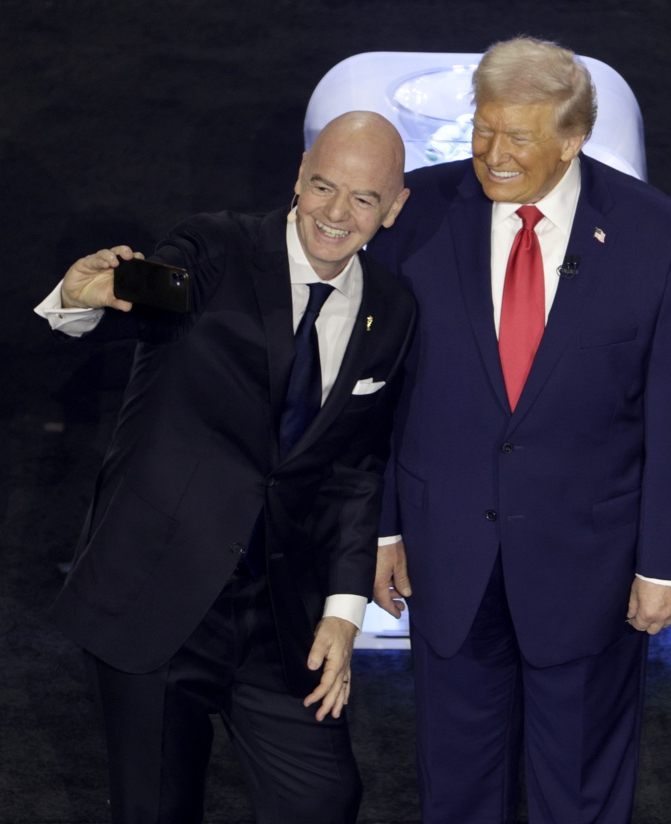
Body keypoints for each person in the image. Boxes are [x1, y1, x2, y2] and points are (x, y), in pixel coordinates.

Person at [33, 112, 415, 823]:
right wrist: (87, 297)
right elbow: (158, 289)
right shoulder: (216, 250)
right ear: (299, 176)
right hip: (156, 604)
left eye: (363, 198)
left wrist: (342, 614)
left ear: (395, 207)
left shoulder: (392, 311)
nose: (335, 214)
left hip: (281, 622)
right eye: (323, 187)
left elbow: (357, 469)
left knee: (325, 798)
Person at [370, 36, 671, 823]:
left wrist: (666, 563)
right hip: (447, 555)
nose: (491, 154)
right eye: (483, 129)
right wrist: (383, 526)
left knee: (581, 792)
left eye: (516, 138)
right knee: (456, 789)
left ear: (573, 137)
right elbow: (378, 387)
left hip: (590, 566)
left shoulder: (656, 234)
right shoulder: (416, 215)